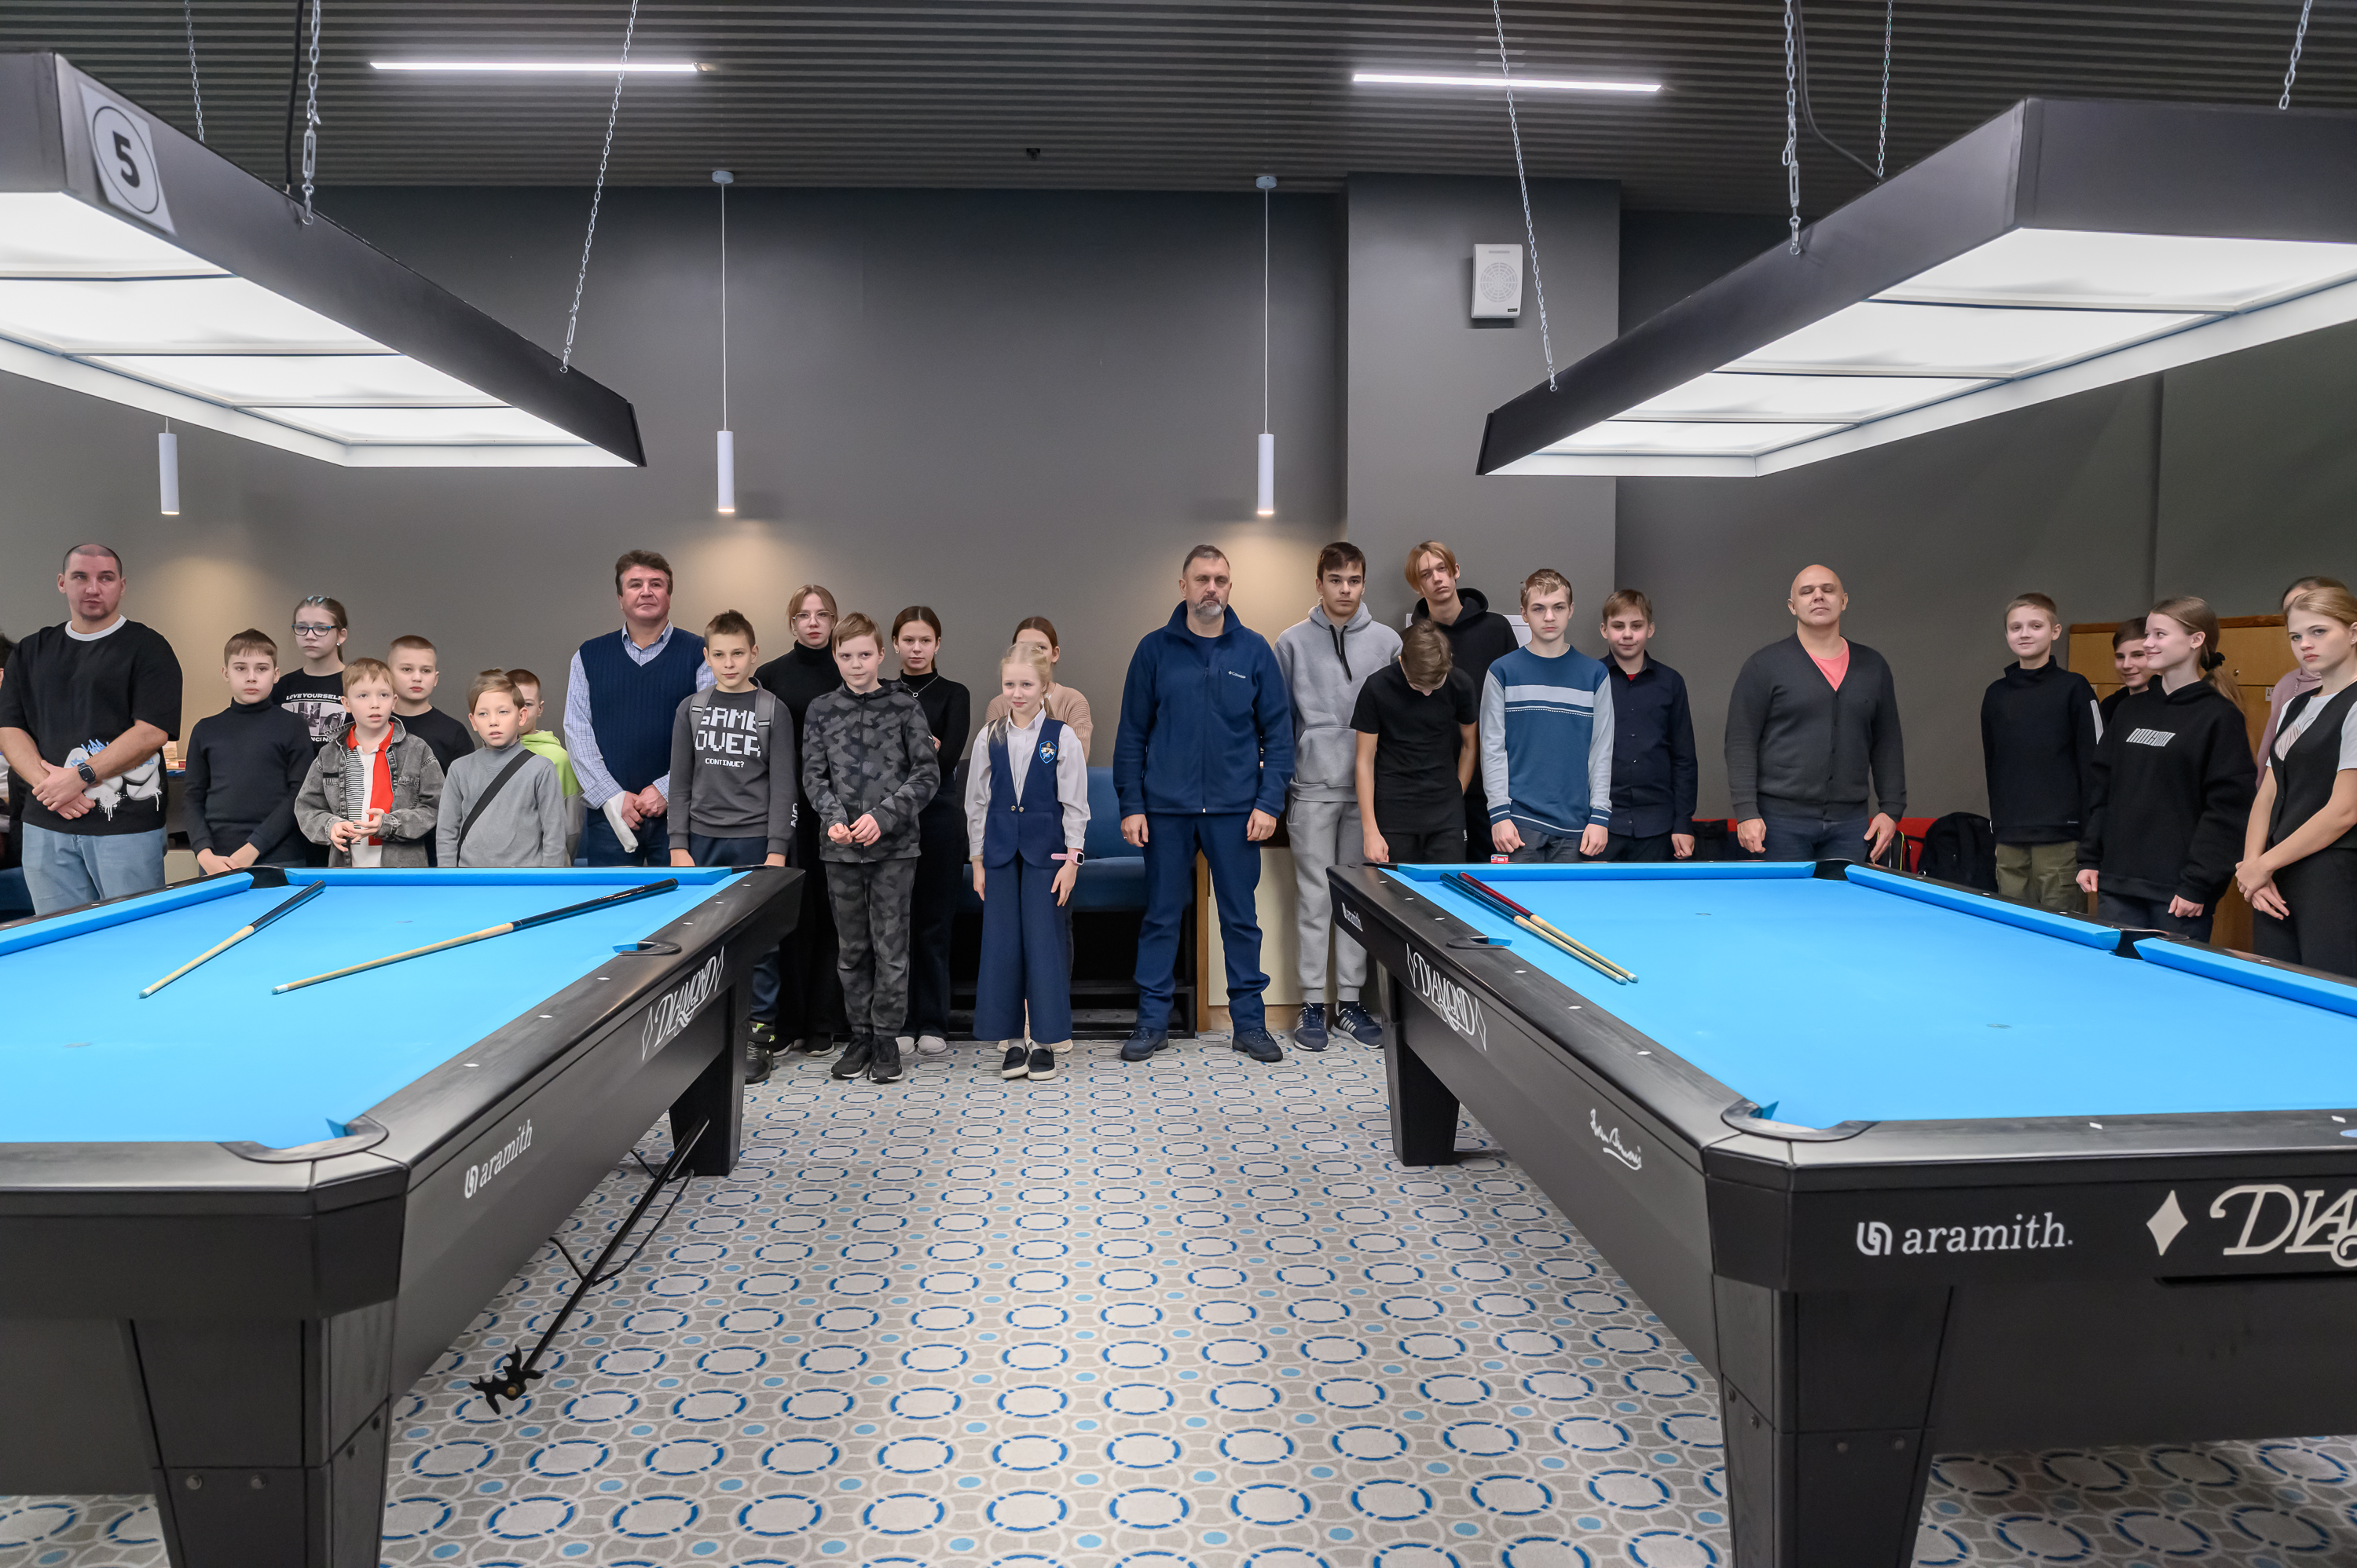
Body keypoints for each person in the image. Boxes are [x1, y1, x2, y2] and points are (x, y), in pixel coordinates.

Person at [1114, 544, 1294, 1064]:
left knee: (1241, 919)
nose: (1211, 588)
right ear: (1183, 586)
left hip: (1237, 811)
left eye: (1219, 579)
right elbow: (1131, 735)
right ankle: (1152, 1022)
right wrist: (1131, 804)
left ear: (1229, 587)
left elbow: (1279, 736)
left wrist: (1269, 803)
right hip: (1165, 811)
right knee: (1161, 917)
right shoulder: (1153, 650)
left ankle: (1250, 1024)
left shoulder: (1254, 651)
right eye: (1201, 579)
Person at [0, 544, 182, 914]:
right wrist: (52, 787)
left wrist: (80, 776)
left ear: (122, 586)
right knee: (59, 937)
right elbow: (9, 729)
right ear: (62, 582)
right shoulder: (31, 651)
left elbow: (152, 732)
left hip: (126, 826)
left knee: (132, 934)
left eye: (106, 578)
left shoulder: (149, 648)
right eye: (81, 577)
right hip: (46, 823)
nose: (93, 588)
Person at [802, 613, 940, 1086]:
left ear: (882, 654)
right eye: (846, 656)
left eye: (865, 654)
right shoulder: (821, 710)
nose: (856, 664)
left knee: (891, 948)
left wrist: (884, 818)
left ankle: (886, 1039)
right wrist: (834, 819)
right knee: (852, 949)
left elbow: (927, 773)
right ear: (835, 657)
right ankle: (859, 1035)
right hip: (839, 851)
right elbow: (812, 776)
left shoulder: (904, 706)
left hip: (895, 850)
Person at [1275, 543, 1398, 1050]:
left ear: (1363, 583)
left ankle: (1349, 1003)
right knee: (1314, 898)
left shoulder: (1389, 642)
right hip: (1310, 790)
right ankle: (1311, 1003)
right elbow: (1278, 721)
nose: (1345, 590)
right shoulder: (1290, 642)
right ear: (1319, 583)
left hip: (1367, 797)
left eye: (1354, 580)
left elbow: (1399, 719)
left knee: (1357, 899)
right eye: (1336, 580)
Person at [2076, 596, 2256, 942]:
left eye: (2159, 634)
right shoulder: (2129, 711)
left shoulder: (2219, 717)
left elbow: (2227, 811)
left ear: (2196, 640)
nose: (2148, 643)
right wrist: (2089, 857)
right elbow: (2102, 790)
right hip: (2117, 883)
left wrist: (2198, 884)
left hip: (2178, 895)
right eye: (2147, 634)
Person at [667, 611, 794, 1082]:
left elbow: (783, 786)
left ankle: (759, 1037)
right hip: (701, 844)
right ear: (707, 657)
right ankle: (707, 1035)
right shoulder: (692, 709)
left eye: (738, 653)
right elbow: (680, 783)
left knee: (762, 945)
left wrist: (777, 848)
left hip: (756, 843)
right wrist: (678, 844)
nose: (729, 663)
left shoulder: (772, 710)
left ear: (754, 653)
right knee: (700, 942)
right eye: (719, 655)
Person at [1725, 564, 1905, 863]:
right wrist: (1746, 811)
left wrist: (1891, 809)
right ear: (1792, 606)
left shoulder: (1873, 667)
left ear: (1844, 601)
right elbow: (1740, 742)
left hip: (1850, 826)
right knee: (1782, 897)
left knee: (1842, 896)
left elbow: (1888, 742)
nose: (1818, 596)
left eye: (1828, 590)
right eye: (1807, 592)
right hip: (1778, 823)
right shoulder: (1764, 665)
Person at [968, 641, 1088, 1083]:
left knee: (1044, 945)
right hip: (999, 852)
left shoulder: (1062, 736)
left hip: (1047, 855)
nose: (1016, 693)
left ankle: (1044, 1040)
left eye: (1026, 685)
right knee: (1001, 945)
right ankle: (1012, 1041)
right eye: (1009, 685)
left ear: (1044, 687)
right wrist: (977, 860)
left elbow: (1075, 803)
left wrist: (1073, 860)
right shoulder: (990, 735)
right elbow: (976, 802)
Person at [566, 551, 714, 867]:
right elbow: (577, 732)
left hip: (683, 813)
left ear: (669, 595)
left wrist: (668, 790)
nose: (646, 592)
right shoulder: (588, 656)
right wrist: (612, 796)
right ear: (620, 598)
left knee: (684, 898)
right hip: (609, 816)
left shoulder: (701, 655)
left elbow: (708, 735)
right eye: (635, 584)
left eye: (656, 584)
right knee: (610, 900)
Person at [2238, 584, 2357, 976]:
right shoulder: (2295, 704)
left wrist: (2263, 865)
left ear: (2353, 633)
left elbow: (2345, 811)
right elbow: (2268, 794)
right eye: (2295, 636)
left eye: (2319, 631)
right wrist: (2253, 866)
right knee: (2275, 983)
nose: (2305, 644)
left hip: (2332, 874)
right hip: (2276, 873)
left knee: (2330, 988)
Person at [756, 585, 848, 1054]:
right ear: (791, 622)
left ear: (834, 621)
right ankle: (787, 1020)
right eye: (804, 615)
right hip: (788, 811)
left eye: (823, 614)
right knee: (791, 912)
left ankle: (823, 1021)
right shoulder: (769, 676)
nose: (814, 622)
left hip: (839, 812)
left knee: (833, 913)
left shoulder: (848, 669)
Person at [1980, 593, 2101, 912]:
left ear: (2055, 631)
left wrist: (2091, 844)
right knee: (2012, 926)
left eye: (2036, 626)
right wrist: (1999, 831)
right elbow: (1994, 767)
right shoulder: (1996, 695)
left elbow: (2096, 767)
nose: (2025, 633)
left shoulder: (2075, 688)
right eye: (2016, 627)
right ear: (2007, 634)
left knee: (2061, 927)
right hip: (2010, 838)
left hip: (2061, 838)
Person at [1483, 570, 1614, 863]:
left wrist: (1600, 816)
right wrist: (1499, 814)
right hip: (1518, 825)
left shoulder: (1595, 675)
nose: (1550, 617)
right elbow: (1492, 749)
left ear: (1571, 610)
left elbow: (1601, 752)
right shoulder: (1502, 672)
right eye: (1538, 609)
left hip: (1579, 826)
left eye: (1558, 607)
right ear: (1524, 614)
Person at [889, 606, 973, 1060]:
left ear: (938, 644)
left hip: (940, 818)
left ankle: (934, 1022)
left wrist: (912, 747)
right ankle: (901, 1021)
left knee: (935, 925)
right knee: (896, 924)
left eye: (925, 640)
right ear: (894, 645)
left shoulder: (955, 694)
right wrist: (925, 743)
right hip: (892, 819)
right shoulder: (882, 693)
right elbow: (880, 761)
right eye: (909, 640)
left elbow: (946, 759)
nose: (917, 648)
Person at [1406, 540, 1522, 848]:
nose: (1437, 578)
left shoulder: (1496, 629)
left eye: (1442, 569)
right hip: (1434, 785)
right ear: (1418, 586)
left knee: (1493, 870)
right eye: (1426, 574)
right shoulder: (1412, 642)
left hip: (1492, 783)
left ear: (1455, 571)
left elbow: (1515, 703)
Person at [184, 629, 314, 875]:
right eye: (241, 668)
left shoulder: (293, 726)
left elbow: (300, 795)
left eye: (261, 669)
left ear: (276, 674)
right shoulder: (205, 729)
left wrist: (254, 847)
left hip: (280, 857)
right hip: (216, 860)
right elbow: (192, 798)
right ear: (226, 673)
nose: (251, 678)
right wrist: (203, 853)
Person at [295, 658, 442, 868]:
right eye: (363, 695)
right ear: (346, 703)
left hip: (402, 870)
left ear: (394, 701)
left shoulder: (417, 750)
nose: (375, 703)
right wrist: (330, 825)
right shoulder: (329, 754)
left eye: (383, 695)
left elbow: (435, 807)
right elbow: (306, 808)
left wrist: (391, 824)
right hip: (346, 868)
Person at [1353, 621, 1479, 866]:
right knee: (1394, 890)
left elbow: (1470, 746)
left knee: (1447, 888)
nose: (1427, 693)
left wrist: (1457, 793)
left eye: (1436, 685)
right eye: (1418, 686)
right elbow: (1364, 761)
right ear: (1402, 662)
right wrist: (1370, 831)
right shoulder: (1376, 688)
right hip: (1394, 813)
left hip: (1446, 815)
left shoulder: (1460, 684)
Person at [1596, 590, 1697, 861]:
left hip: (1659, 826)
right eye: (1618, 626)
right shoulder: (1590, 679)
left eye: (1637, 626)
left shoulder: (1671, 682)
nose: (1627, 634)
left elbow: (1684, 759)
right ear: (1604, 630)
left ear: (1650, 629)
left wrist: (1683, 823)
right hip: (1601, 824)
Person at [435, 672, 567, 870]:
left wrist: (548, 880)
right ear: (473, 721)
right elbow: (447, 831)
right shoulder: (459, 769)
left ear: (521, 716)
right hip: (470, 878)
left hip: (526, 879)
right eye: (483, 714)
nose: (493, 721)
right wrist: (448, 876)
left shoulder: (541, 769)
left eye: (503, 712)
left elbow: (555, 833)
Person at [2254, 575, 2352, 773]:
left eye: (2318, 630)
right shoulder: (2288, 687)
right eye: (2290, 610)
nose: (2305, 643)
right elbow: (2272, 752)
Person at [981, 617, 1094, 757]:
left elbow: (1077, 759)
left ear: (1054, 654)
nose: (1031, 654)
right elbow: (993, 757)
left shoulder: (1073, 701)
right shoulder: (998, 705)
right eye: (1023, 647)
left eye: (1041, 647)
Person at [508, 667, 585, 856]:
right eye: (512, 703)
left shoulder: (559, 759)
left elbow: (571, 827)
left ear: (540, 709)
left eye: (528, 704)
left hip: (545, 863)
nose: (521, 712)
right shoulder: (484, 756)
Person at [389, 635, 475, 776]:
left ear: (435, 679)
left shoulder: (454, 732)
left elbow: (467, 785)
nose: (417, 678)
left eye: (426, 671)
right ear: (388, 675)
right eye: (407, 669)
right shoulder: (370, 725)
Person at [272, 594, 351, 743]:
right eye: (302, 627)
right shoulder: (280, 687)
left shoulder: (357, 684)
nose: (310, 636)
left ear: (341, 636)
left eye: (321, 628)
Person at [2098, 617, 2151, 730]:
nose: (2126, 665)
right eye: (2120, 657)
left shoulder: (2174, 703)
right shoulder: (2110, 706)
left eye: (2137, 655)